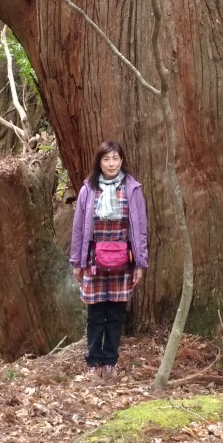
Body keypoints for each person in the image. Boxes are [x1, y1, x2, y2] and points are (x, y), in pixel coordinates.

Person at [70, 140, 148, 374]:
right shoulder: (89, 189)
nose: (111, 163)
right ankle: (93, 362)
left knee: (115, 315)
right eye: (106, 159)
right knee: (95, 315)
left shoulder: (132, 189)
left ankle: (110, 362)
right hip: (94, 261)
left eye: (115, 158)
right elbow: (78, 228)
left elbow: (140, 228)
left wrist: (140, 264)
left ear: (122, 160)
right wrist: (77, 262)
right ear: (99, 162)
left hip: (123, 262)